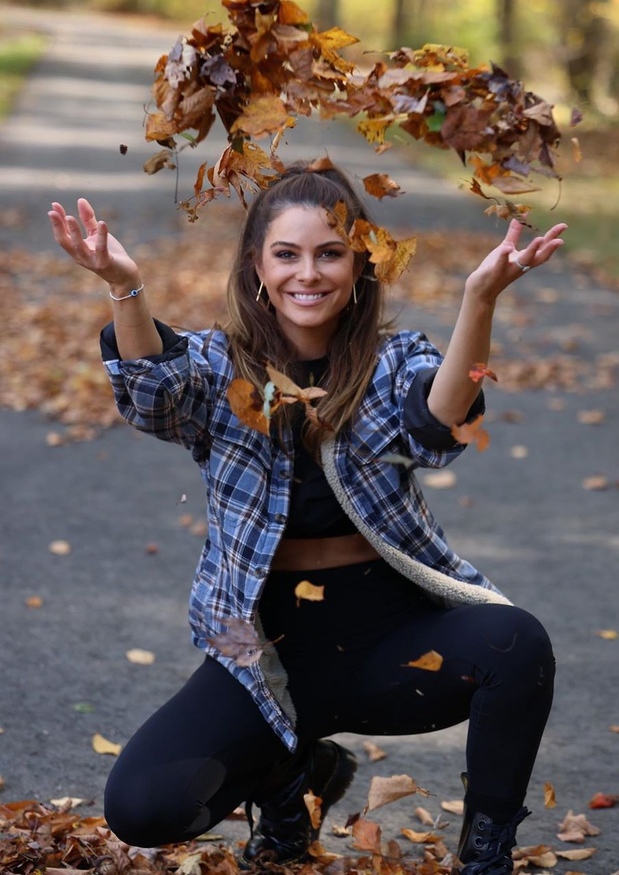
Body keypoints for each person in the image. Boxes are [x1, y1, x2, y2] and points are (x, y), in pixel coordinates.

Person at [48, 161, 566, 875]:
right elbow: (154, 398)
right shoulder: (218, 364)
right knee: (144, 808)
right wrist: (123, 287)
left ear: (360, 264)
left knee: (517, 644)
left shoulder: (390, 362)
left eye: (330, 253)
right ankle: (292, 783)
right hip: (268, 658)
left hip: (392, 646)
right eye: (286, 254)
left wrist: (480, 298)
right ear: (258, 265)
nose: (309, 273)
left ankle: (486, 852)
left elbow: (441, 424)